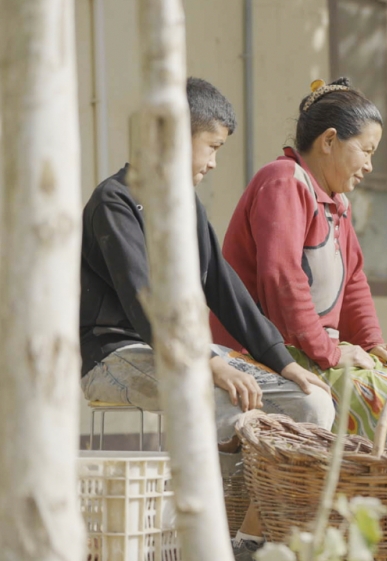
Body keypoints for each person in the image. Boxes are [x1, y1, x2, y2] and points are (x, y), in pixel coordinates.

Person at [79, 77, 335, 559]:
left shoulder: (186, 208)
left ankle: (249, 539)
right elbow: (144, 302)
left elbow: (224, 285)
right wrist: (209, 363)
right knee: (233, 411)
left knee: (313, 405)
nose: (214, 162)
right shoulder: (113, 202)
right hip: (117, 356)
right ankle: (201, 541)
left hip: (189, 355)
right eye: (211, 146)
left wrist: (284, 363)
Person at [210, 77, 387, 454]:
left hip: (315, 351)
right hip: (266, 354)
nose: (370, 166)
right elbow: (283, 278)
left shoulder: (336, 202)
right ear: (329, 141)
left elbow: (354, 280)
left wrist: (373, 345)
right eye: (366, 151)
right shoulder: (283, 182)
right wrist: (334, 353)